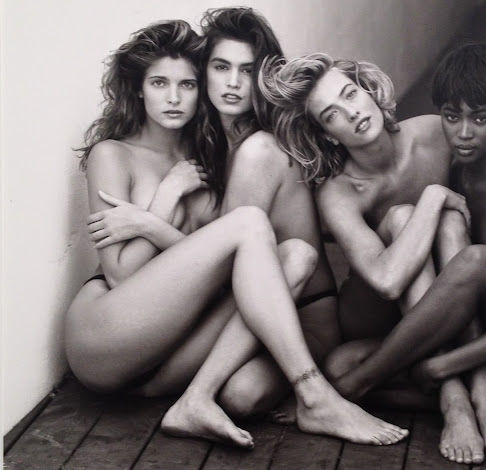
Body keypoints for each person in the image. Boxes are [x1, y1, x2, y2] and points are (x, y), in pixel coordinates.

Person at [65, 20, 408, 449]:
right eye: (158, 83)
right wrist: (165, 199)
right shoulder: (112, 154)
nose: (174, 97)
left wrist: (152, 224)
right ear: (137, 89)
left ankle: (191, 400)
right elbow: (122, 275)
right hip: (106, 332)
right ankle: (315, 395)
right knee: (254, 228)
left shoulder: (204, 154)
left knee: (294, 258)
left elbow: (213, 272)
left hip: (165, 349)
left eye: (186, 84)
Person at [259, 51, 486, 465]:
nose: (351, 113)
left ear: (368, 91)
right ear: (328, 135)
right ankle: (472, 397)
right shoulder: (340, 191)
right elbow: (386, 281)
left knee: (446, 224)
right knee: (406, 221)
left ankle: (481, 399)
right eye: (332, 115)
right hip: (385, 307)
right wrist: (433, 197)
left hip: (450, 301)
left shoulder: (437, 131)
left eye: (350, 94)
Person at [193, 7, 340, 420]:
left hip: (304, 316)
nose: (233, 82)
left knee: (240, 395)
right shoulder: (215, 144)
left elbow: (221, 265)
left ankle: (326, 391)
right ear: (204, 71)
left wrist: (153, 227)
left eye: (247, 70)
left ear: (263, 77)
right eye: (221, 67)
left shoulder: (259, 149)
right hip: (250, 312)